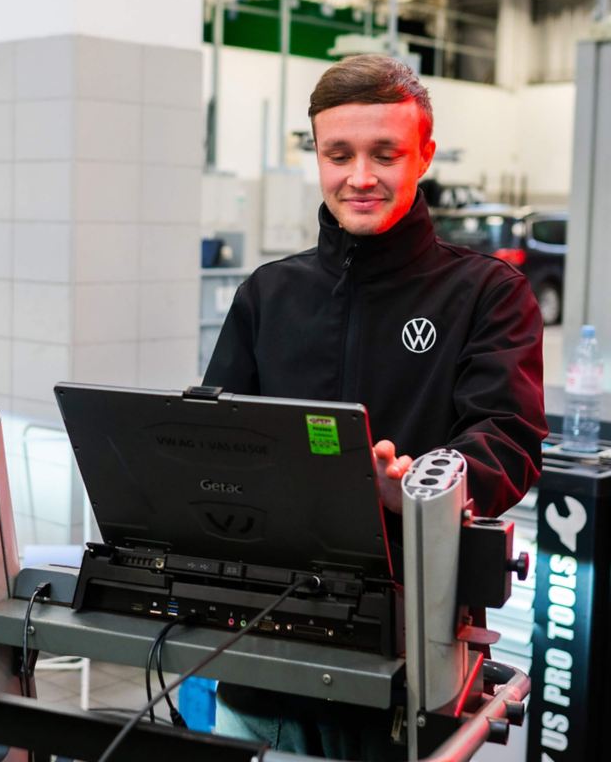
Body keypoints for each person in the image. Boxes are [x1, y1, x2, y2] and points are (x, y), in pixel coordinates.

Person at [203, 54, 548, 760]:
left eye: (384, 153)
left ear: (422, 154)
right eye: (340, 154)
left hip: (411, 657)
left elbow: (509, 436)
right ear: (318, 156)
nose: (360, 176)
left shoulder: (486, 295)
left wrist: (424, 489)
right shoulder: (269, 296)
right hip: (264, 653)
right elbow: (218, 433)